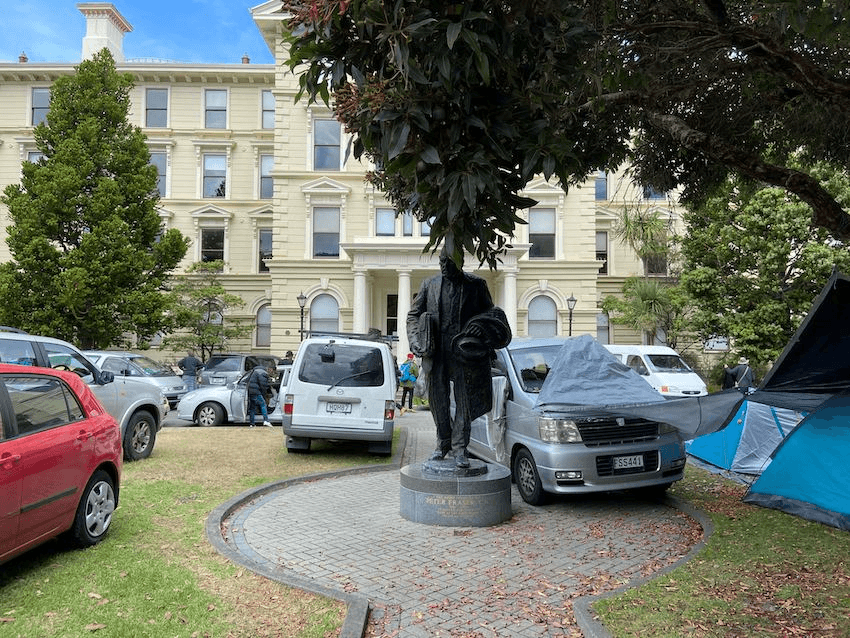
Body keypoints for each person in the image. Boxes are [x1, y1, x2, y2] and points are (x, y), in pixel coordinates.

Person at [407, 245, 511, 468]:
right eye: (442, 262)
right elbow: (413, 315)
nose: (444, 266)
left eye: (449, 262)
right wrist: (416, 341)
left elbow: (492, 314)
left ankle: (459, 449)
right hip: (437, 352)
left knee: (465, 402)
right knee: (438, 402)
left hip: (465, 352)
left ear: (460, 262)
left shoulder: (476, 285)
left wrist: (478, 326)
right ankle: (442, 443)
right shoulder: (429, 285)